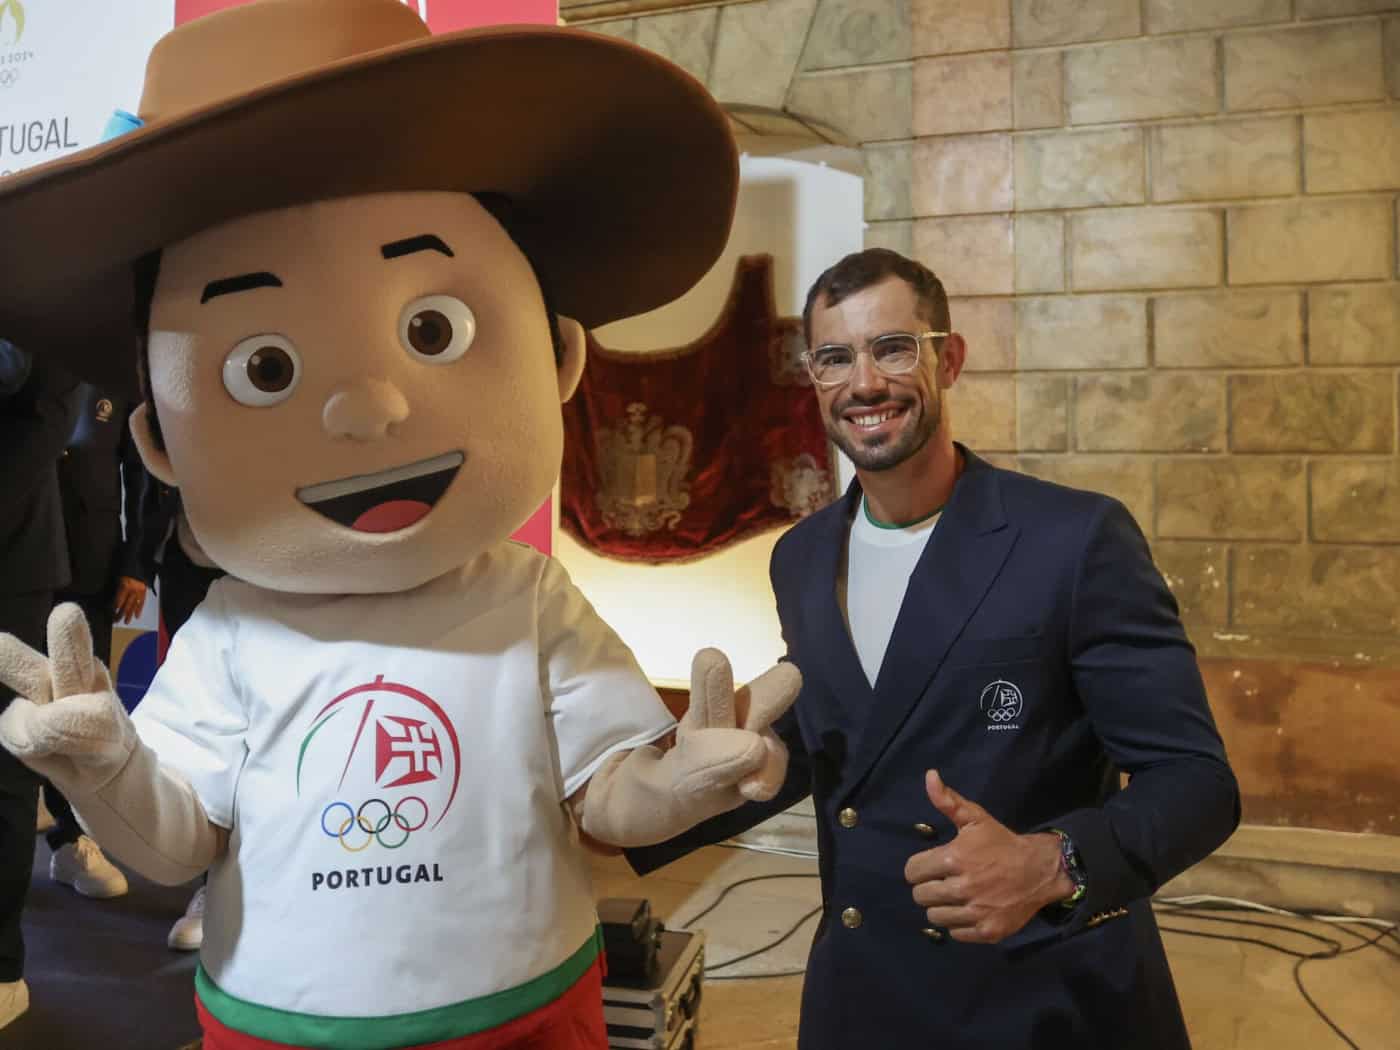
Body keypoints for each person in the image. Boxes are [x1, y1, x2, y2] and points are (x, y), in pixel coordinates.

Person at [0, 3, 797, 1047]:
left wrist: (671, 787)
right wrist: (106, 775)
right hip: (281, 1021)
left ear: (558, 360)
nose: (367, 408)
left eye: (433, 328)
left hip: (523, 1010)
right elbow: (180, 835)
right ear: (158, 445)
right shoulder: (233, 630)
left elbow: (601, 797)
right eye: (263, 369)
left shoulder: (526, 600)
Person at [627, 248, 1241, 1050]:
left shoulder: (1073, 538)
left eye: (893, 348)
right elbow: (849, 738)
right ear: (812, 377)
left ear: (947, 358)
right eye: (835, 358)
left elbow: (1197, 781)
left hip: (1036, 994)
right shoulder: (802, 557)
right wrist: (676, 795)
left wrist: (1055, 862)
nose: (865, 384)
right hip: (864, 994)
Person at [41, 383, 165, 900]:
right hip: (16, 561)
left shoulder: (109, 370)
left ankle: (72, 841)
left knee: (78, 707)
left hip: (89, 567)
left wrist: (136, 565)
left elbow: (140, 475)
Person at [0, 339, 78, 1029]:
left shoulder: (35, 285)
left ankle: (2, 969)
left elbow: (48, 405)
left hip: (11, 564)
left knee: (6, 769)